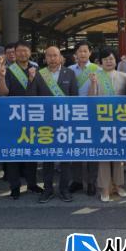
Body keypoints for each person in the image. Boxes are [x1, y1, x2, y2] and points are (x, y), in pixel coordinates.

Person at [30, 46, 79, 203]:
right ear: (45, 58)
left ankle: (64, 189)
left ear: (60, 57)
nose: (52, 58)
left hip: (65, 122)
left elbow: (75, 98)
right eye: (49, 56)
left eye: (55, 55)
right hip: (46, 123)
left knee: (65, 158)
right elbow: (32, 97)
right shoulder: (39, 74)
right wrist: (31, 80)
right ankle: (48, 189)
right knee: (48, 157)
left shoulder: (69, 73)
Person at [0, 41, 43, 199]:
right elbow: (3, 93)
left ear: (30, 52)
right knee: (13, 152)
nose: (23, 54)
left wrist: (32, 79)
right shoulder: (9, 70)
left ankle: (32, 183)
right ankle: (14, 186)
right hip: (14, 116)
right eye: (19, 51)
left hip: (32, 116)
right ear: (14, 53)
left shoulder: (37, 69)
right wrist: (1, 78)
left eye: (25, 51)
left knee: (31, 151)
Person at [88, 47, 126, 202]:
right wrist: (93, 84)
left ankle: (118, 185)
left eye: (111, 58)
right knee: (104, 154)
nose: (109, 61)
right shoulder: (96, 76)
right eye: (105, 59)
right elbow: (90, 98)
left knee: (118, 154)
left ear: (116, 60)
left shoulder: (124, 76)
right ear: (100, 62)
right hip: (102, 120)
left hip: (119, 120)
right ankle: (105, 187)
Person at [68, 41, 99, 196]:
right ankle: (77, 181)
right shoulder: (69, 70)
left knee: (92, 147)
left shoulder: (97, 69)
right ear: (76, 54)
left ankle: (92, 182)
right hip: (73, 112)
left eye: (85, 51)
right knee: (76, 146)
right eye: (80, 51)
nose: (82, 54)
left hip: (92, 112)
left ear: (90, 53)